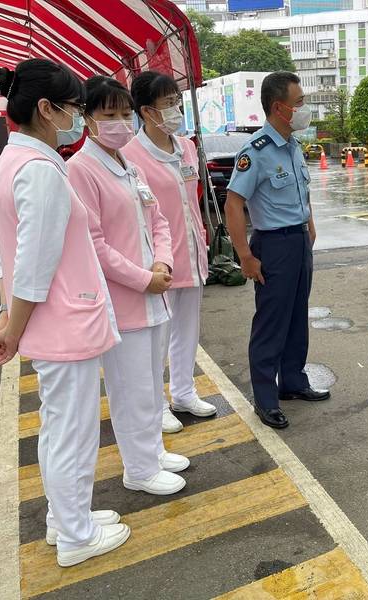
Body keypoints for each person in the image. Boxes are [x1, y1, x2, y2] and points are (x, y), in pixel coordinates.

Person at [0, 59, 130, 567]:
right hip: (64, 321)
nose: (77, 117)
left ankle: (66, 517)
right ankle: (75, 535)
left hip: (52, 321)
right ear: (47, 109)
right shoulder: (42, 171)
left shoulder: (12, 162)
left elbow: (10, 253)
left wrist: (9, 316)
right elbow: (34, 264)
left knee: (59, 427)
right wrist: (13, 326)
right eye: (73, 108)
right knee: (72, 431)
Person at [68, 76, 189, 496]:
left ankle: (152, 453)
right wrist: (143, 279)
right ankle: (138, 469)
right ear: (86, 119)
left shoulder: (129, 165)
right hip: (126, 299)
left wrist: (163, 261)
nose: (119, 123)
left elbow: (157, 220)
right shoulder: (81, 170)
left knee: (151, 383)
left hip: (154, 290)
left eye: (124, 114)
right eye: (108, 115)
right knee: (130, 388)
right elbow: (94, 244)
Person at [225, 71, 328, 430]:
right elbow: (234, 203)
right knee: (271, 323)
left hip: (299, 241)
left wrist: (309, 226)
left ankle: (294, 382)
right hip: (273, 245)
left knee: (297, 316)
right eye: (299, 103)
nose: (304, 109)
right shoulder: (256, 151)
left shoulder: (294, 146)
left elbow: (303, 193)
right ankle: (266, 399)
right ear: (279, 107)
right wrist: (245, 255)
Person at [122, 71, 217, 434]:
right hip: (159, 261)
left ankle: (183, 392)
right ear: (147, 111)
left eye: (177, 101)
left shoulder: (187, 147)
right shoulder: (130, 155)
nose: (176, 109)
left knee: (187, 330)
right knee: (157, 338)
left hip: (192, 253)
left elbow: (193, 200)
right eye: (168, 104)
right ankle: (156, 404)